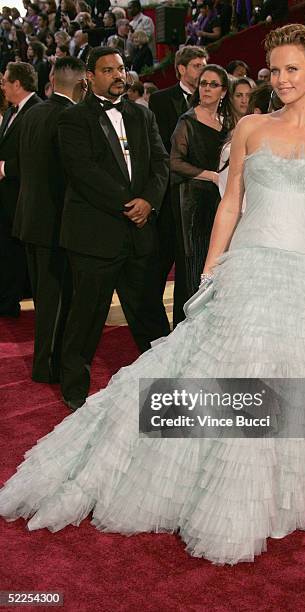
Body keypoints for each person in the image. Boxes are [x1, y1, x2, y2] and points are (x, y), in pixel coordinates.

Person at [0, 25, 305, 566]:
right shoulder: (251, 129)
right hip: (248, 266)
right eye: (276, 69)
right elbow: (231, 203)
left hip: (303, 275)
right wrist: (210, 272)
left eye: (293, 70)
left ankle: (266, 504)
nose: (282, 79)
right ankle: (207, 491)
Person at [55, 47, 170, 410]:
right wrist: (129, 204)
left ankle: (167, 385)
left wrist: (149, 201)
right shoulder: (73, 119)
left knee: (150, 315)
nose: (118, 75)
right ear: (90, 76)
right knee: (86, 317)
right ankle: (74, 391)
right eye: (108, 70)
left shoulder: (142, 115)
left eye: (121, 68)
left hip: (138, 234)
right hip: (94, 235)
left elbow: (161, 163)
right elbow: (84, 172)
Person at [12, 57, 87, 385]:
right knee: (56, 302)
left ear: (53, 79)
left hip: (29, 219)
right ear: (81, 85)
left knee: (45, 300)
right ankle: (49, 366)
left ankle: (44, 363)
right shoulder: (68, 117)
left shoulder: (32, 113)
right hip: (55, 224)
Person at [149, 46, 208, 326]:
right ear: (182, 68)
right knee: (158, 268)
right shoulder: (160, 101)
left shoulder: (213, 101)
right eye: (197, 65)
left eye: (204, 65)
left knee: (192, 269)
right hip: (169, 196)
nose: (201, 70)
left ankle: (187, 325)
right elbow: (160, 149)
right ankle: (157, 328)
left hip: (201, 199)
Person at [170, 64, 231, 297]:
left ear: (223, 91)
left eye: (213, 85)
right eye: (203, 83)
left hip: (219, 200)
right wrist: (212, 176)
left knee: (217, 259)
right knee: (195, 262)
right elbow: (175, 162)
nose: (206, 89)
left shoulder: (226, 122)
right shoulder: (187, 121)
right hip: (194, 202)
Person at [0, 62, 41, 318]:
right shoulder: (12, 113)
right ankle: (7, 302)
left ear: (17, 83)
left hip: (26, 197)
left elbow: (38, 156)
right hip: (9, 199)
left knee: (24, 256)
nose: (2, 86)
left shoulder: (37, 110)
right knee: (9, 253)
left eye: (5, 81)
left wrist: (6, 169)